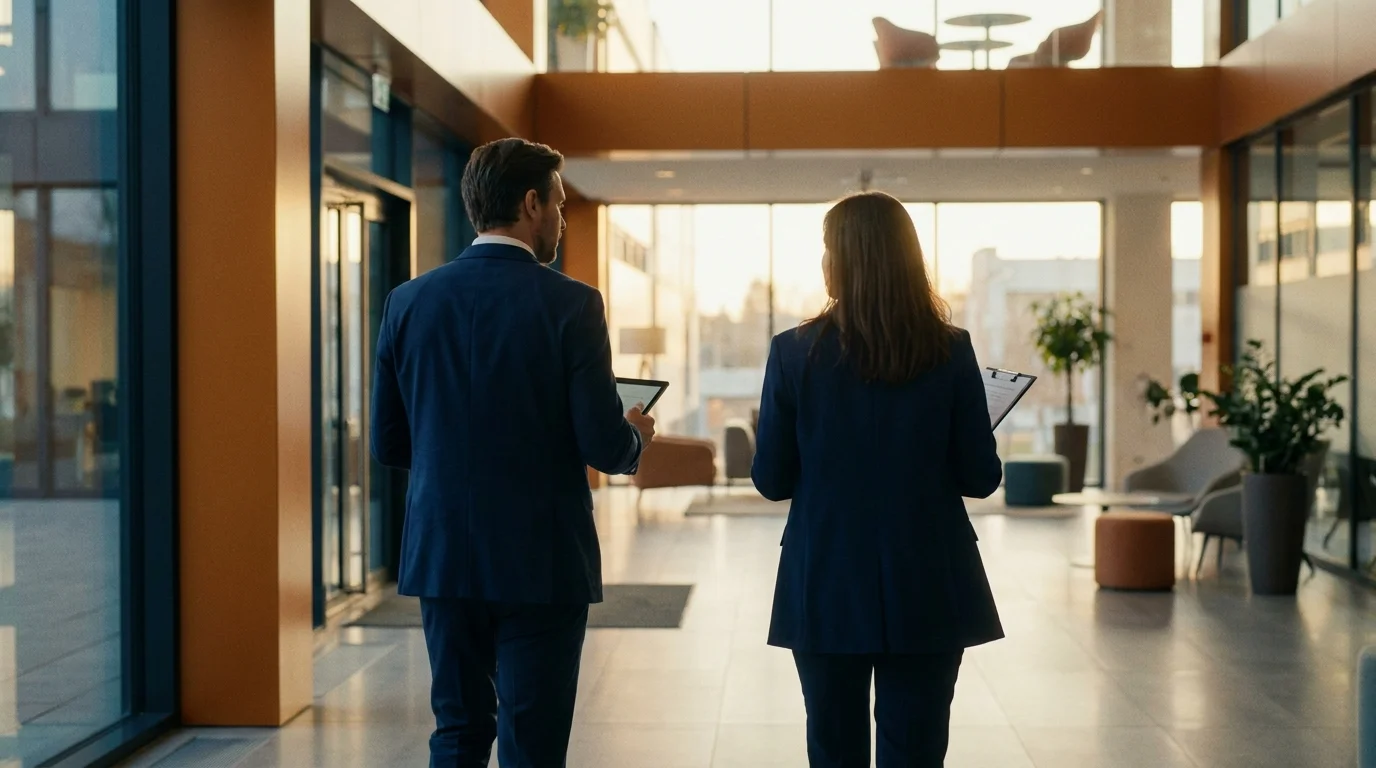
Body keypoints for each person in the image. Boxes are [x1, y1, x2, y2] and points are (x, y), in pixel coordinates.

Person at [370, 137, 656, 768]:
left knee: (458, 731)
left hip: (443, 554)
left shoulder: (408, 302)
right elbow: (605, 447)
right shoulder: (571, 304)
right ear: (531, 204)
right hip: (541, 562)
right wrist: (637, 432)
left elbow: (390, 441)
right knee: (533, 743)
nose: (560, 218)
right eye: (557, 204)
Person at [752, 191, 1004, 768]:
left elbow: (771, 479)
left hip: (825, 579)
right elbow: (981, 477)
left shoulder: (792, 353)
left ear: (840, 261)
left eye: (825, 250)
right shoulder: (951, 349)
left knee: (834, 749)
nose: (822, 262)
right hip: (930, 579)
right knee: (915, 752)